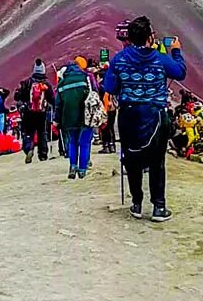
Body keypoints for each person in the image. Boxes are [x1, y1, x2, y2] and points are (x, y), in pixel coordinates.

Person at [102, 17, 187, 221]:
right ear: (150, 37)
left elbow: (110, 87)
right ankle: (159, 207)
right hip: (155, 115)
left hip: (128, 114)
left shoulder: (119, 59)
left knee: (132, 159)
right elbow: (180, 72)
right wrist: (176, 51)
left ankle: (136, 204)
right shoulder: (159, 58)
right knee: (157, 161)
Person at [56, 60, 95, 179]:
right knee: (85, 143)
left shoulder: (62, 84)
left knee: (73, 142)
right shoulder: (85, 78)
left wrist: (56, 120)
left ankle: (73, 166)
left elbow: (58, 104)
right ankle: (82, 170)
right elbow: (95, 94)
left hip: (68, 118)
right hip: (85, 116)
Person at [18, 59, 53, 163]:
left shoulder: (27, 82)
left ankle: (29, 148)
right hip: (42, 113)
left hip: (29, 113)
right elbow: (52, 98)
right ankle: (43, 154)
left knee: (28, 132)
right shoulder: (46, 84)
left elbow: (19, 97)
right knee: (42, 132)